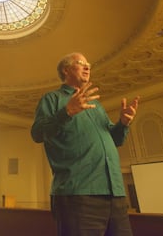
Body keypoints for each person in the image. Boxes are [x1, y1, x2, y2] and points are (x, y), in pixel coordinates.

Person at [31, 52, 139, 236]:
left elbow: (115, 140)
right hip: (78, 195)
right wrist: (66, 112)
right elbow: (37, 133)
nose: (88, 67)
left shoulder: (95, 105)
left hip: (115, 194)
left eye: (88, 63)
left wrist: (123, 124)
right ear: (66, 70)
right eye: (81, 63)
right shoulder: (52, 99)